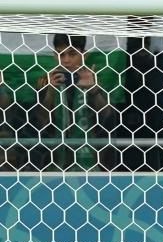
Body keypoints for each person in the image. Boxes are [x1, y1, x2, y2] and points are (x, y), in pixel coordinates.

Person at [31, 33, 116, 171]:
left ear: (84, 55)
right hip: (55, 161)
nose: (66, 60)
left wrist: (93, 89)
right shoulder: (45, 81)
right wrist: (50, 92)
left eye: (72, 54)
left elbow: (108, 117)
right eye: (61, 54)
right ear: (55, 55)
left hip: (92, 160)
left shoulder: (95, 78)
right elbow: (39, 123)